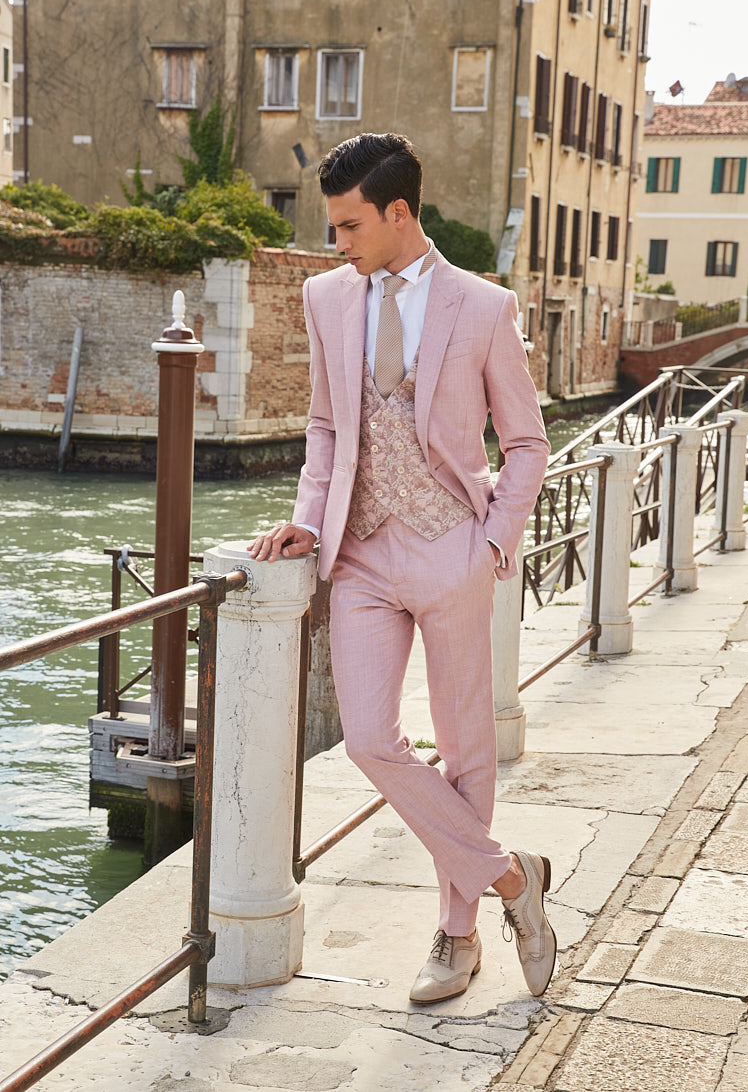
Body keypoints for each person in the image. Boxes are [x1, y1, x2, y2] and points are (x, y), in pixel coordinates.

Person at [249, 132, 554, 1005]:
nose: (336, 241)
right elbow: (325, 426)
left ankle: (458, 936)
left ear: (399, 213)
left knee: (464, 750)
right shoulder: (325, 297)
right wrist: (309, 522)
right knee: (370, 740)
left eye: (350, 226)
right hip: (361, 554)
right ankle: (513, 878)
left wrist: (491, 542)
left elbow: (527, 443)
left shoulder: (483, 307)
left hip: (453, 547)